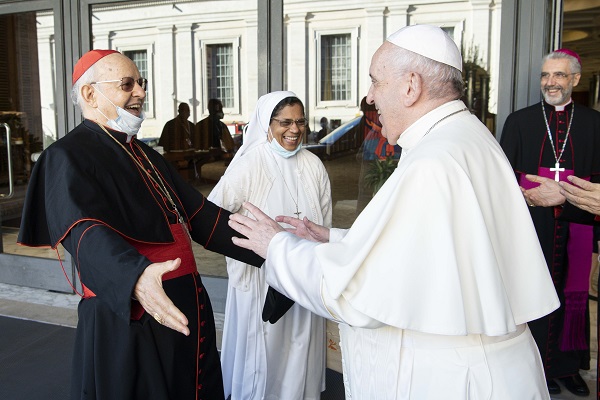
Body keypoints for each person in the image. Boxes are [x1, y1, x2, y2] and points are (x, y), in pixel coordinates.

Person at [227, 25, 560, 399]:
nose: (369, 97)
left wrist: (275, 245)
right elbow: (421, 250)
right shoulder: (466, 136)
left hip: (449, 378)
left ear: (411, 85)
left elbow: (357, 292)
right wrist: (334, 237)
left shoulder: (433, 161)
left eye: (375, 81)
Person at [17, 49, 264, 400]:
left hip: (184, 307)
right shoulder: (66, 155)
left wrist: (272, 245)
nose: (141, 93)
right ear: (90, 94)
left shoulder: (146, 154)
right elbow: (85, 233)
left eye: (141, 83)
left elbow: (201, 218)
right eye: (127, 84)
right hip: (133, 316)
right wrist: (133, 276)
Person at [208, 91, 331, 399]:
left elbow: (324, 221)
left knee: (300, 343)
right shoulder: (251, 164)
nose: (294, 129)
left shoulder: (314, 165)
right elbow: (213, 213)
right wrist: (247, 250)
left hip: (303, 274)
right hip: (262, 280)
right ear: (266, 124)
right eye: (285, 122)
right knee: (266, 352)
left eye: (300, 121)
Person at [500, 48, 600, 397]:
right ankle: (535, 364)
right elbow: (503, 174)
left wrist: (571, 196)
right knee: (533, 290)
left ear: (574, 79)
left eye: (559, 75)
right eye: (545, 75)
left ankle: (567, 368)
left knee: (572, 296)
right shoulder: (519, 120)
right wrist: (536, 190)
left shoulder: (594, 123)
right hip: (532, 220)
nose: (550, 82)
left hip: (578, 222)